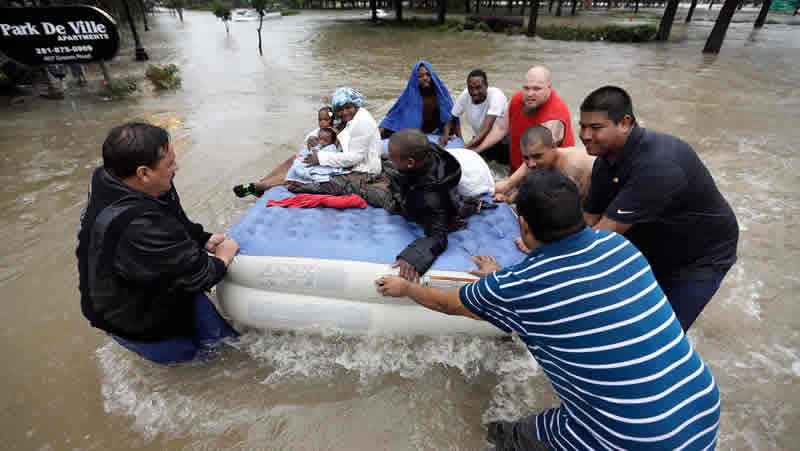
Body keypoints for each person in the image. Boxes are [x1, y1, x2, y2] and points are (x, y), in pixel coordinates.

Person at [377, 170, 721, 451]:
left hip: (631, 437)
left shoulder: (523, 286)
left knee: (505, 435)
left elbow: (447, 303)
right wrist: (500, 278)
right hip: (702, 408)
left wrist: (407, 288)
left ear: (523, 225)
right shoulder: (620, 246)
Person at [76, 123, 240, 364]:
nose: (177, 167)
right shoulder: (136, 225)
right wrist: (224, 256)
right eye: (170, 163)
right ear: (144, 172)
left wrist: (201, 238)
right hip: (136, 320)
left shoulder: (124, 177)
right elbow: (199, 274)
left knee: (226, 347)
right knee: (196, 367)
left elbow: (173, 215)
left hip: (159, 280)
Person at [579, 86, 739, 331]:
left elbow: (601, 238)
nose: (585, 135)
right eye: (582, 126)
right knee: (620, 315)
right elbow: (586, 220)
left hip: (700, 258)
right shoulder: (605, 161)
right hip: (655, 237)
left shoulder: (658, 166)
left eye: (596, 128)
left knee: (661, 333)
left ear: (625, 123)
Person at [381, 129, 495, 281]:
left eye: (393, 157)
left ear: (410, 163)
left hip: (474, 179)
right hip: (465, 161)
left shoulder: (432, 198)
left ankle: (475, 204)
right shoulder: (428, 150)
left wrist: (414, 256)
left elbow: (438, 238)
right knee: (386, 169)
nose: (390, 157)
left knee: (385, 198)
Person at [474, 66, 576, 195]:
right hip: (521, 167)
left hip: (548, 181)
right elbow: (501, 128)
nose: (529, 94)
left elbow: (536, 158)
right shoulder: (518, 99)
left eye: (536, 89)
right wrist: (476, 150)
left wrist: (509, 184)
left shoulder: (555, 117)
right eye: (526, 88)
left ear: (549, 88)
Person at [496, 124, 596, 254]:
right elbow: (508, 185)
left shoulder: (578, 167)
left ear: (554, 147)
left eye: (537, 156)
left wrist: (538, 245)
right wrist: (508, 199)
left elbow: (586, 218)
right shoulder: (536, 162)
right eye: (526, 158)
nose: (531, 164)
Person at [233, 105, 339, 197]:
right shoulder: (319, 131)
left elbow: (336, 149)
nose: (322, 123)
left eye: (326, 120)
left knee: (297, 168)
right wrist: (310, 140)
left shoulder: (334, 132)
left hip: (321, 160)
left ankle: (261, 186)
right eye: (320, 120)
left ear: (332, 119)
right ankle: (263, 181)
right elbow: (310, 138)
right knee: (292, 159)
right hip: (310, 155)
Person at [440, 69, 508, 162]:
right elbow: (452, 117)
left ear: (486, 85)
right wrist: (446, 135)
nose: (474, 92)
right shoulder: (465, 95)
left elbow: (487, 128)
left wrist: (465, 148)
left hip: (502, 141)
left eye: (478, 88)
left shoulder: (496, 96)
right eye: (471, 88)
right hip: (480, 139)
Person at [379, 61, 456, 139]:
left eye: (428, 75)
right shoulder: (407, 95)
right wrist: (377, 136)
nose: (425, 78)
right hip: (414, 134)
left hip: (436, 132)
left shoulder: (441, 93)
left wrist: (446, 135)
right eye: (420, 76)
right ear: (415, 79)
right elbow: (391, 118)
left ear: (432, 76)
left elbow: (449, 116)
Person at [285, 127, 349, 191]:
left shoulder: (332, 147)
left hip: (322, 164)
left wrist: (317, 153)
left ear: (331, 141)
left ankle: (302, 183)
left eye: (325, 140)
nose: (322, 142)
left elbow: (327, 156)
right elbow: (310, 151)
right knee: (297, 163)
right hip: (313, 161)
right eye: (320, 139)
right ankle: (293, 180)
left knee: (315, 174)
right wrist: (309, 150)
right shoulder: (319, 145)